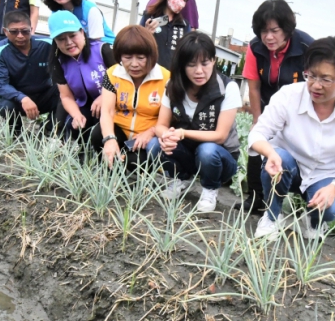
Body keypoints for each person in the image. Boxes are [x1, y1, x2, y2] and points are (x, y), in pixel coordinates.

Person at [248, 37, 335, 240]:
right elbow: (257, 133)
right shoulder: (289, 95)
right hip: (287, 168)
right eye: (311, 75)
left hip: (325, 175)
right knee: (280, 158)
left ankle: (312, 221)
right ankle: (271, 216)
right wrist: (270, 153)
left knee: (328, 211)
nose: (315, 85)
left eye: (326, 79)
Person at [237, 0, 314, 215]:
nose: (268, 37)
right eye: (263, 31)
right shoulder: (255, 47)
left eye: (274, 30)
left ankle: (297, 201)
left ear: (287, 29)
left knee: (288, 152)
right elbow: (253, 87)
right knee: (257, 143)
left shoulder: (307, 47)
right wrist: (256, 120)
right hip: (267, 104)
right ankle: (255, 198)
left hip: (298, 110)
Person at [153, 32, 241, 212]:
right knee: (155, 145)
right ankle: (181, 178)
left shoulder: (227, 88)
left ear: (214, 61)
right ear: (182, 66)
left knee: (207, 150)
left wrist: (183, 133)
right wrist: (166, 137)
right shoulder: (173, 85)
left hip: (220, 157)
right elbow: (160, 126)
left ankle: (210, 188)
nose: (199, 71)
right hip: (187, 152)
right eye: (191, 65)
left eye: (205, 63)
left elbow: (220, 136)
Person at [93, 25, 169, 166]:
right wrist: (110, 139)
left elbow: (170, 119)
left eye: (141, 58)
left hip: (146, 137)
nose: (134, 64)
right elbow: (107, 111)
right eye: (127, 57)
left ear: (151, 56)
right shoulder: (112, 74)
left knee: (135, 163)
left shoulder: (166, 78)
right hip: (120, 131)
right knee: (98, 135)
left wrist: (151, 131)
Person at [48, 11, 115, 143]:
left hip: (112, 104)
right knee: (77, 127)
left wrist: (105, 97)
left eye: (73, 36)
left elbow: (124, 81)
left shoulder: (103, 50)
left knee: (99, 131)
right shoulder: (59, 61)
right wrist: (76, 115)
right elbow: (66, 97)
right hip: (86, 106)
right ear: (55, 41)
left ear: (82, 33)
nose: (69, 42)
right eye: (61, 39)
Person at [0, 11, 58, 135]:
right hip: (17, 99)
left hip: (45, 95)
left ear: (31, 29)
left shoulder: (48, 45)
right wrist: (22, 98)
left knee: (65, 93)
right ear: (5, 31)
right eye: (14, 31)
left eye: (25, 31)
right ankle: (17, 133)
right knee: (5, 107)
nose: (20, 36)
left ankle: (48, 131)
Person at [141, 0, 191, 69]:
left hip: (172, 78)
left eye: (184, 0)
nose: (181, 3)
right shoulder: (149, 17)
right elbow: (136, 44)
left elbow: (187, 54)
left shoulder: (185, 25)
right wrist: (146, 34)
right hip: (149, 72)